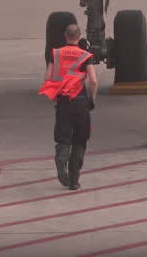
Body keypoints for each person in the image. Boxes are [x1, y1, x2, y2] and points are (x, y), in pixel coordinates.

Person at [39, 22, 98, 190]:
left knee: (64, 138)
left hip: (63, 102)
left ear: (66, 36)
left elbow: (48, 77)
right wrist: (91, 100)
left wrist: (54, 97)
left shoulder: (55, 54)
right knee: (80, 141)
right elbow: (93, 81)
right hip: (80, 104)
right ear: (79, 37)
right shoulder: (85, 55)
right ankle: (74, 180)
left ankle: (61, 160)